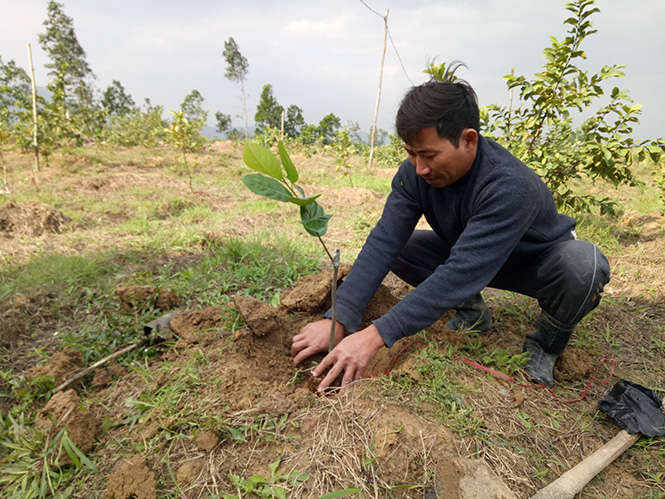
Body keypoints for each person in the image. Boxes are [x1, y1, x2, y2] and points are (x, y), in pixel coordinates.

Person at [291, 66, 610, 391]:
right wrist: (339, 317)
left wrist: (374, 336)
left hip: (534, 266)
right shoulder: (415, 175)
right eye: (411, 153)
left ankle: (544, 346)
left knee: (583, 265)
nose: (420, 167)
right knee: (405, 246)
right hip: (473, 255)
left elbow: (461, 270)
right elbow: (384, 240)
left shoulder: (509, 186)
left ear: (468, 139)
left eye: (429, 154)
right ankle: (473, 312)